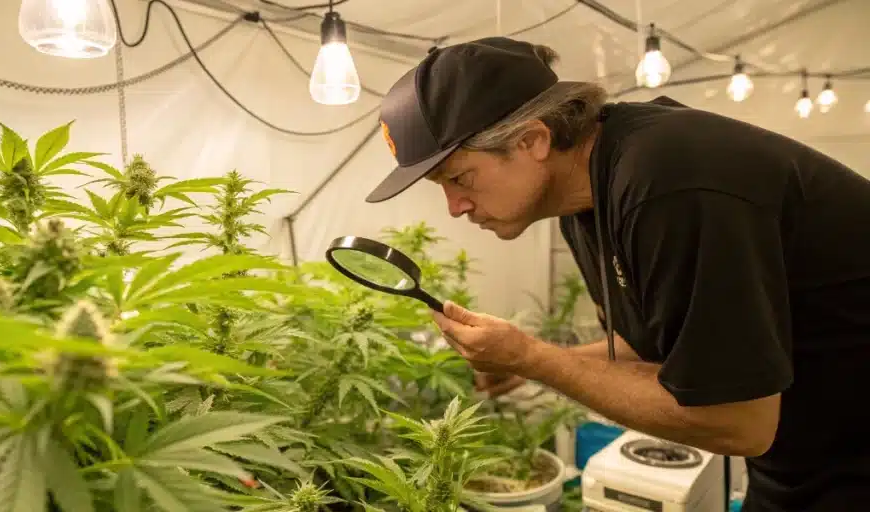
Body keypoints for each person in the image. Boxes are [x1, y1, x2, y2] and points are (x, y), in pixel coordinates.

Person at [364, 36, 870, 511]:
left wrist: (532, 358)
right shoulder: (582, 203)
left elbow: (737, 421)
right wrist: (521, 364)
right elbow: (646, 343)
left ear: (532, 140)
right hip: (800, 459)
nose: (454, 206)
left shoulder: (668, 180)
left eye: (459, 177)